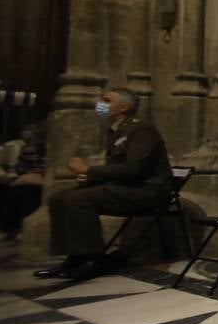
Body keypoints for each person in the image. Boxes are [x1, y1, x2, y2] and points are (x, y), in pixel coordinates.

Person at [38, 88, 173, 281]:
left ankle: (93, 259)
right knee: (58, 198)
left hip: (148, 191)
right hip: (129, 187)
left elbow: (134, 169)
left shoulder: (141, 129)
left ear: (124, 107)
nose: (100, 104)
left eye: (106, 100)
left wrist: (89, 170)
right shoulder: (117, 130)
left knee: (79, 199)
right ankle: (74, 257)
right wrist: (92, 178)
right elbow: (118, 169)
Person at [1, 124, 45, 240]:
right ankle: (10, 228)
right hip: (28, 176)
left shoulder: (48, 147)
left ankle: (25, 228)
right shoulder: (27, 148)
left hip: (42, 178)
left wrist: (41, 170)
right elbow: (20, 166)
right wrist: (28, 171)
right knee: (14, 192)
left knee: (29, 192)